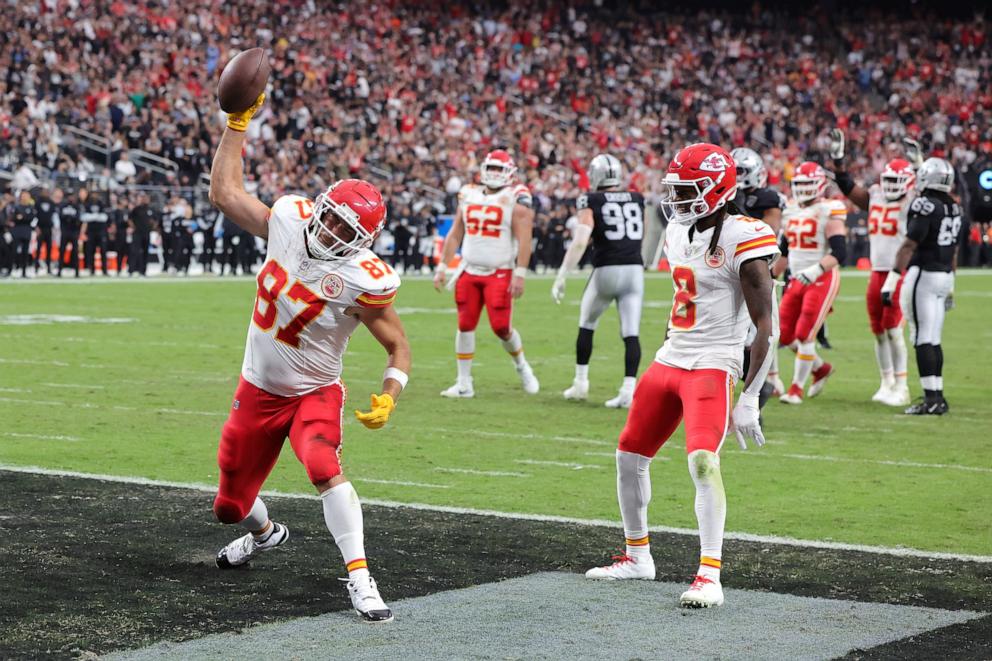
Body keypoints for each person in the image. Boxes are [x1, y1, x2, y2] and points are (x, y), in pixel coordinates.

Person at [208, 94, 411, 622]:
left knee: (323, 465)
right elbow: (226, 193)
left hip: (315, 390)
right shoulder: (288, 219)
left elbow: (398, 345)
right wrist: (237, 124)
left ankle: (362, 579)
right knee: (229, 506)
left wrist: (391, 395)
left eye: (348, 231)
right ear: (318, 207)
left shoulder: (364, 278)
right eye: (332, 220)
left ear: (364, 240)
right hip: (258, 388)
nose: (333, 233)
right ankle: (266, 534)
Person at [585, 143, 778, 609]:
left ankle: (709, 574)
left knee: (702, 462)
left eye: (689, 190)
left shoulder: (743, 236)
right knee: (629, 455)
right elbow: (681, 302)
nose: (679, 199)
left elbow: (766, 326)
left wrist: (751, 394)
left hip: (714, 361)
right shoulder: (677, 229)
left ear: (717, 190)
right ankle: (637, 558)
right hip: (673, 355)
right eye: (676, 189)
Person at [433, 149, 539, 398]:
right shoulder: (468, 193)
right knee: (465, 325)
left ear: (509, 173)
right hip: (468, 270)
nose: (493, 174)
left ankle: (522, 366)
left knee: (501, 328)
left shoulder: (516, 196)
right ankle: (463, 383)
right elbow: (456, 233)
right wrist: (441, 267)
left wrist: (520, 273)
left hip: (500, 271)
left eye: (498, 169)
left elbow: (525, 238)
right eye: (490, 168)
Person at [830, 129, 915, 406]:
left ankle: (902, 385)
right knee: (878, 331)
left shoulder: (914, 201)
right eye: (888, 180)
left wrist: (921, 162)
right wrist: (839, 161)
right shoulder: (876, 195)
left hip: (898, 272)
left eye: (896, 181)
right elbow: (847, 187)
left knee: (893, 329)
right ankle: (886, 381)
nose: (890, 185)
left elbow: (930, 190)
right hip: (876, 272)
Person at [552, 153, 645, 408]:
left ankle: (581, 383)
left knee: (587, 323)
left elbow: (581, 240)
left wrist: (562, 274)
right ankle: (628, 389)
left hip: (607, 268)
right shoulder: (637, 198)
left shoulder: (590, 199)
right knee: (631, 332)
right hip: (635, 269)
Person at [885, 158, 965, 415]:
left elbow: (909, 245)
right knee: (933, 338)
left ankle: (931, 399)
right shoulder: (954, 207)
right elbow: (954, 249)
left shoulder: (924, 205)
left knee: (921, 338)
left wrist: (892, 279)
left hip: (924, 275)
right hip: (944, 275)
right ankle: (937, 396)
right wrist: (952, 280)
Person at [774, 161, 847, 404]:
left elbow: (839, 252)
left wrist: (816, 270)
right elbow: (784, 250)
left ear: (820, 185)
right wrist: (771, 275)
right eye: (800, 184)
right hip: (796, 277)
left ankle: (796, 389)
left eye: (808, 184)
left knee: (805, 334)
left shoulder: (829, 209)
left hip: (821, 277)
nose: (803, 189)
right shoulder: (790, 210)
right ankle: (821, 368)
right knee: (784, 335)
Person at [730, 147, 786, 406]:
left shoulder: (767, 197)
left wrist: (739, 208)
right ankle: (756, 390)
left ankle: (756, 396)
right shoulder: (728, 197)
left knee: (754, 336)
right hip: (731, 275)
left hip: (758, 276)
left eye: (740, 171)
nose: (736, 176)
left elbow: (769, 232)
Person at [10, 190, 38, 278]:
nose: (25, 197)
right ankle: (12, 269)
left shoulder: (31, 207)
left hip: (27, 231)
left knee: (25, 252)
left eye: (27, 195)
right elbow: (14, 218)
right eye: (24, 195)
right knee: (14, 251)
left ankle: (24, 271)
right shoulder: (16, 206)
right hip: (17, 231)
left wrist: (22, 217)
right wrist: (24, 217)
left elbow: (31, 218)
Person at [57, 190, 81, 278]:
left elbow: (78, 219)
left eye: (72, 196)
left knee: (75, 251)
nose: (71, 198)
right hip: (65, 231)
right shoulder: (63, 206)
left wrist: (70, 218)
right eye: (69, 196)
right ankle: (59, 270)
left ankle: (77, 271)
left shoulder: (76, 206)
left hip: (74, 231)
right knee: (62, 251)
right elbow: (60, 217)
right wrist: (69, 218)